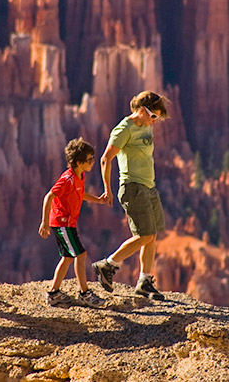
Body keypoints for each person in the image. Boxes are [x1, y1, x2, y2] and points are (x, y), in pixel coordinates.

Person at [91, 91, 168, 300]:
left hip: (148, 187)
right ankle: (107, 265)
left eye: (158, 118)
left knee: (151, 235)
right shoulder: (124, 129)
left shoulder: (145, 126)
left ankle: (144, 281)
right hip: (132, 188)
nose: (155, 122)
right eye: (154, 116)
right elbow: (106, 159)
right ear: (143, 110)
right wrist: (107, 189)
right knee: (143, 235)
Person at [38, 137, 109, 307]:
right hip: (62, 223)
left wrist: (97, 201)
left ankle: (53, 293)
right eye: (89, 160)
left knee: (67, 257)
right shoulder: (67, 179)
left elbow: (80, 193)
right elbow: (49, 196)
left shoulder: (80, 176)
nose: (93, 162)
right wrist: (44, 222)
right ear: (79, 162)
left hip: (68, 223)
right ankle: (84, 294)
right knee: (81, 255)